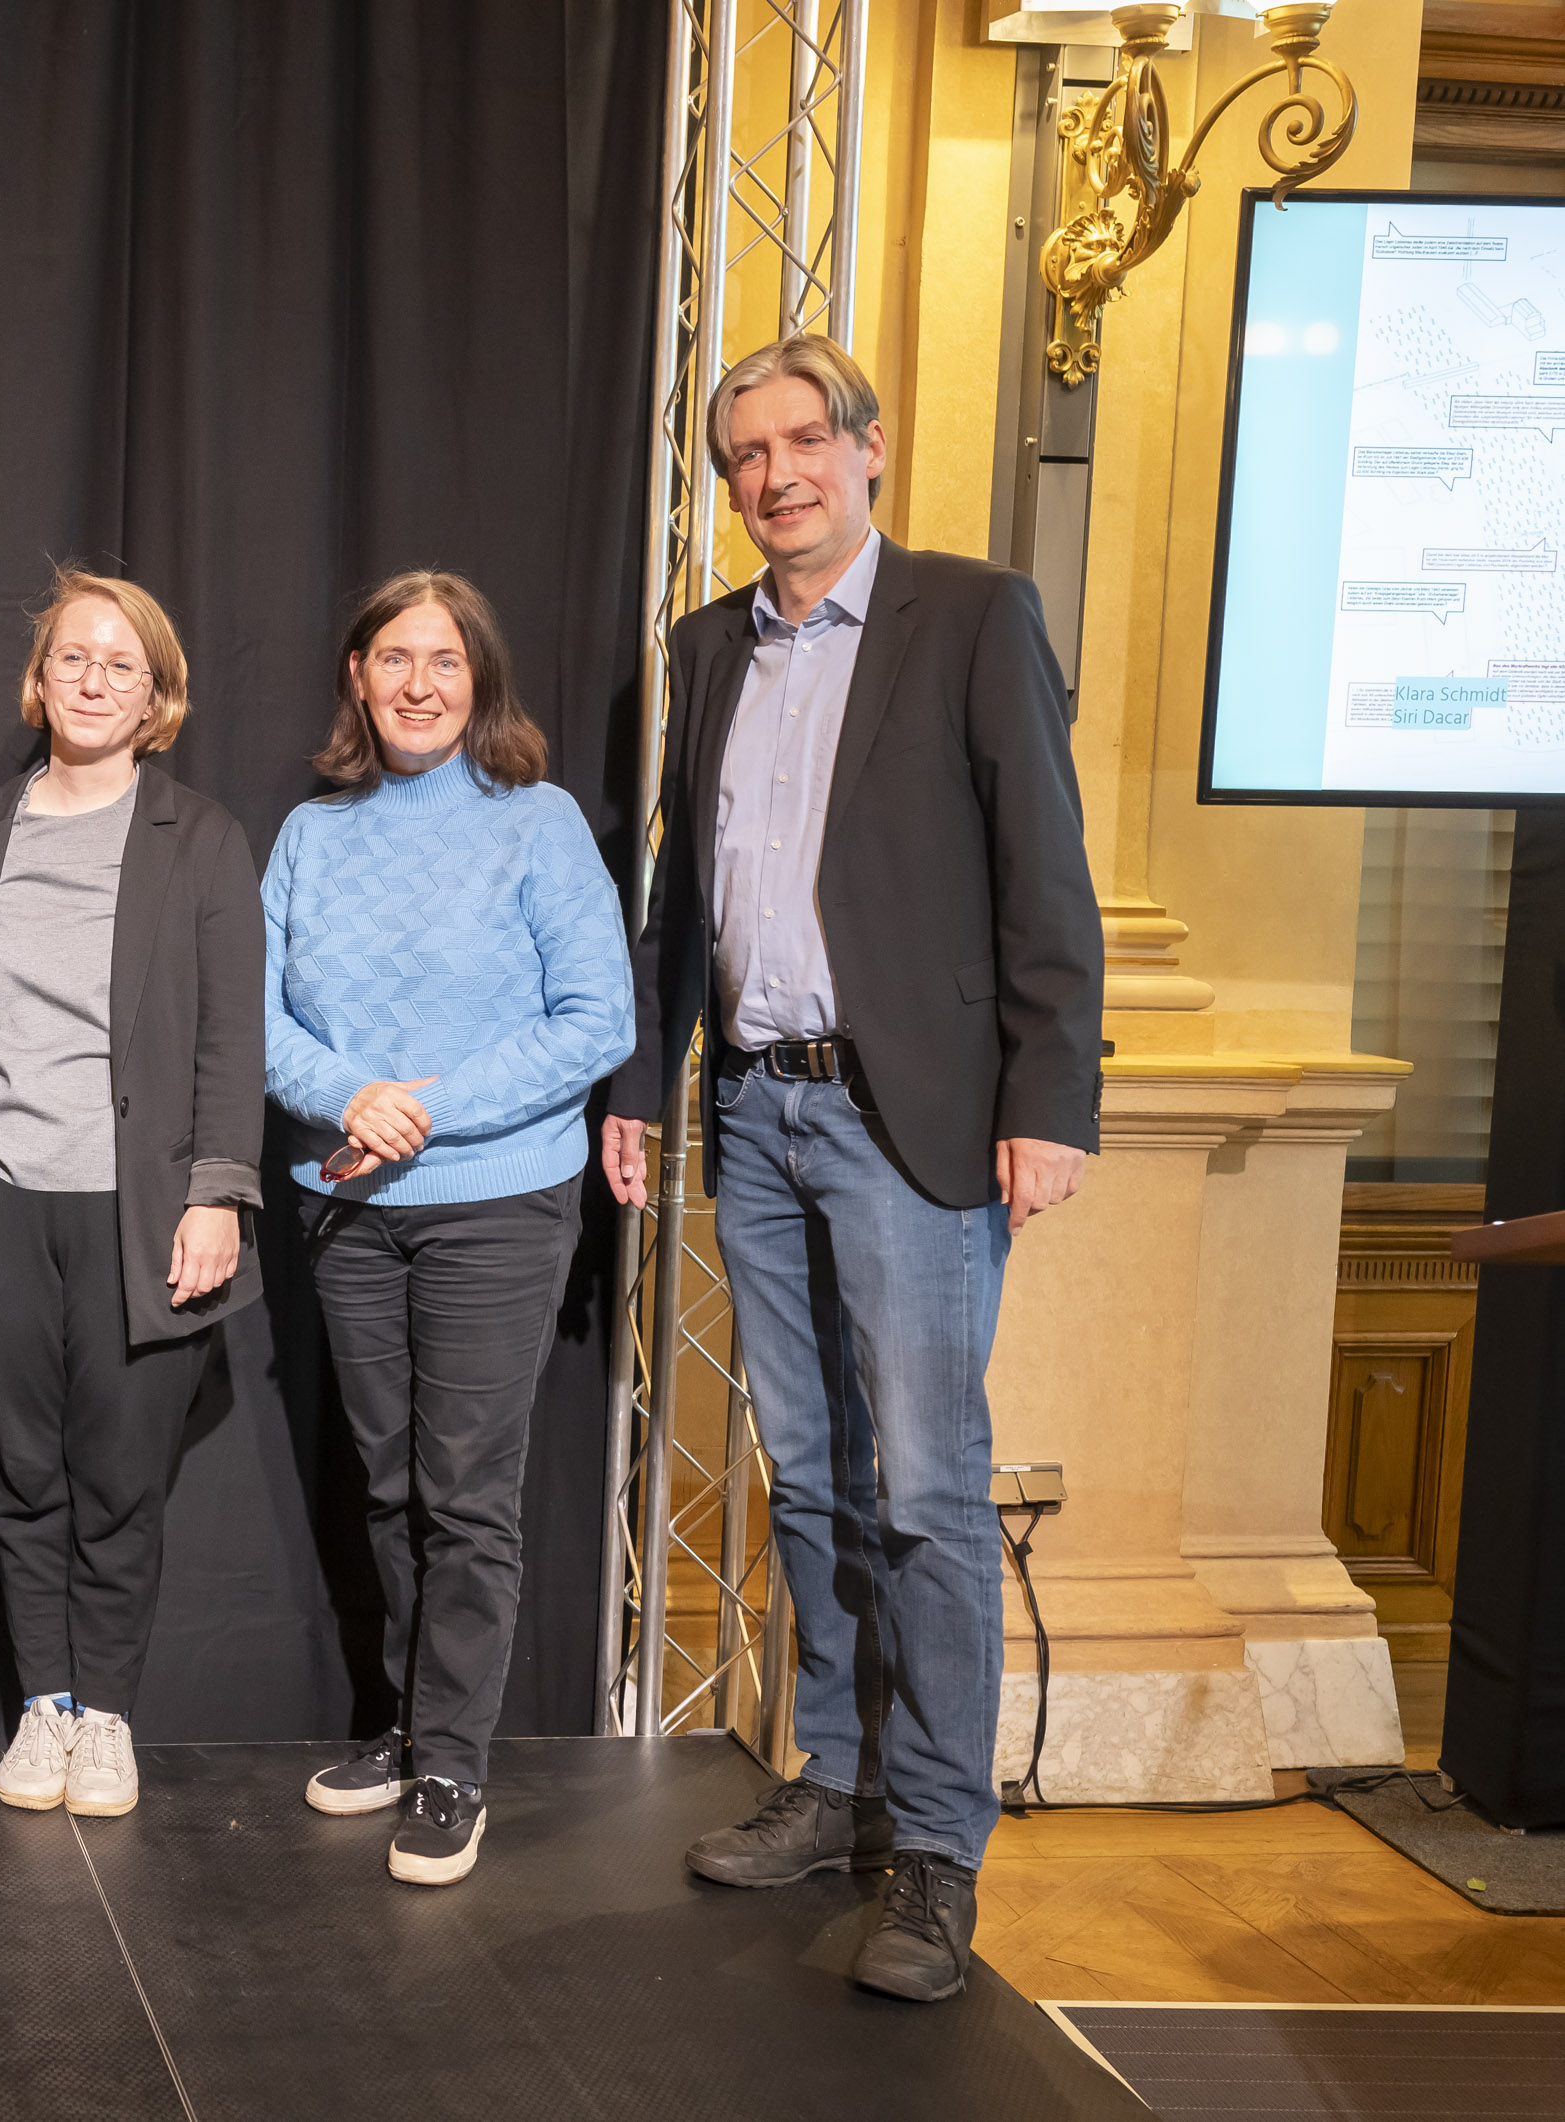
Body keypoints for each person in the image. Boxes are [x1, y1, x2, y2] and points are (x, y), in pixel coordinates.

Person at [602, 335, 1100, 2004]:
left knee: (922, 1495)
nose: (772, 476)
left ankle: (936, 1859)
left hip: (913, 1121)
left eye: (801, 442)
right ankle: (836, 1781)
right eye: (742, 455)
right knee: (806, 1478)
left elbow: (1042, 869)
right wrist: (646, 1082)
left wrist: (1047, 1098)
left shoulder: (967, 617)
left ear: (867, 449)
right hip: (753, 1111)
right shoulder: (705, 645)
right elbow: (685, 895)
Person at [264, 571, 631, 1890]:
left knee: (465, 1493)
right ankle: (410, 1721)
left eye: (446, 659)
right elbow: (255, 1019)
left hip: (496, 1205)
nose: (419, 682)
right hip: (347, 1205)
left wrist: (422, 1110)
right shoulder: (308, 834)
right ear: (356, 676)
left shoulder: (535, 825)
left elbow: (598, 1019)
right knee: (387, 1483)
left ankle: (454, 1763)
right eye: (394, 657)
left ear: (480, 680)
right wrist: (347, 1096)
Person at [0, 570, 262, 1821]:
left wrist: (216, 1192)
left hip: (138, 1206)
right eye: (73, 658)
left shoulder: (202, 836)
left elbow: (232, 1036)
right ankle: (43, 1705)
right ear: (39, 679)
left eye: (123, 663)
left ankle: (105, 1714)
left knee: (120, 1480)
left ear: (157, 693)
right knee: (25, 1475)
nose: (96, 679)